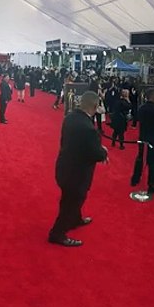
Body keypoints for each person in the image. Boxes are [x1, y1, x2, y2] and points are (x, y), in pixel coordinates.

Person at [50, 90, 109, 247]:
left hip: (64, 166)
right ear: (95, 106)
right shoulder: (88, 128)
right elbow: (95, 153)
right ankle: (57, 233)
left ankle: (76, 219)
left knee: (69, 199)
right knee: (72, 202)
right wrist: (103, 151)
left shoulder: (70, 117)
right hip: (77, 173)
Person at [130, 88, 154, 196]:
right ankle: (152, 185)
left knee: (140, 158)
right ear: (152, 96)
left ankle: (135, 179)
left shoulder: (141, 108)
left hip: (143, 137)